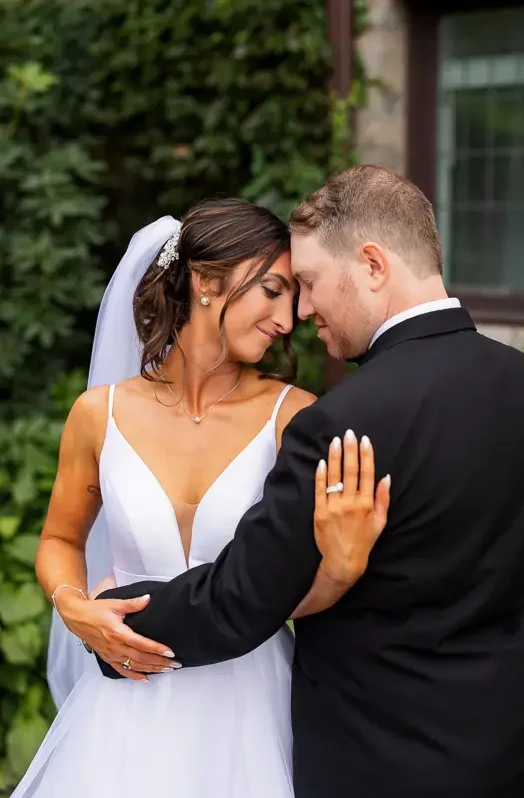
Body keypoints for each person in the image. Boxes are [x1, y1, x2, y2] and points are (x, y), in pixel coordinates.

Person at [95, 166, 524, 797]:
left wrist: (115, 614)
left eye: (308, 282)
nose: (303, 311)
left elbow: (241, 598)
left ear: (373, 266)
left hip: (374, 762)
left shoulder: (343, 424)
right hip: (510, 753)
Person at [13, 198, 390, 798]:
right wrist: (72, 604)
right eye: (272, 290)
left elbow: (299, 590)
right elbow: (60, 539)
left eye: (293, 297)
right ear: (207, 281)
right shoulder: (98, 415)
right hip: (122, 711)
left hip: (252, 707)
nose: (288, 320)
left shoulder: (295, 419)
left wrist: (342, 569)